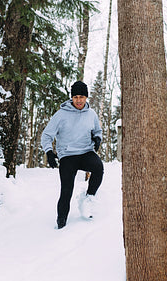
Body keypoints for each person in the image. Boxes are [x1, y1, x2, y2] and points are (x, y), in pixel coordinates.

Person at [41, 81, 104, 229]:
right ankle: (61, 221)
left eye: (82, 96)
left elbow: (97, 131)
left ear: (86, 97)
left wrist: (97, 138)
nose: (79, 100)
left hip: (86, 152)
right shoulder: (61, 114)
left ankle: (88, 199)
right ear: (71, 98)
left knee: (98, 168)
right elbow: (47, 135)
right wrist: (49, 152)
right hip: (68, 155)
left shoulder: (91, 114)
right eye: (75, 97)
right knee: (66, 190)